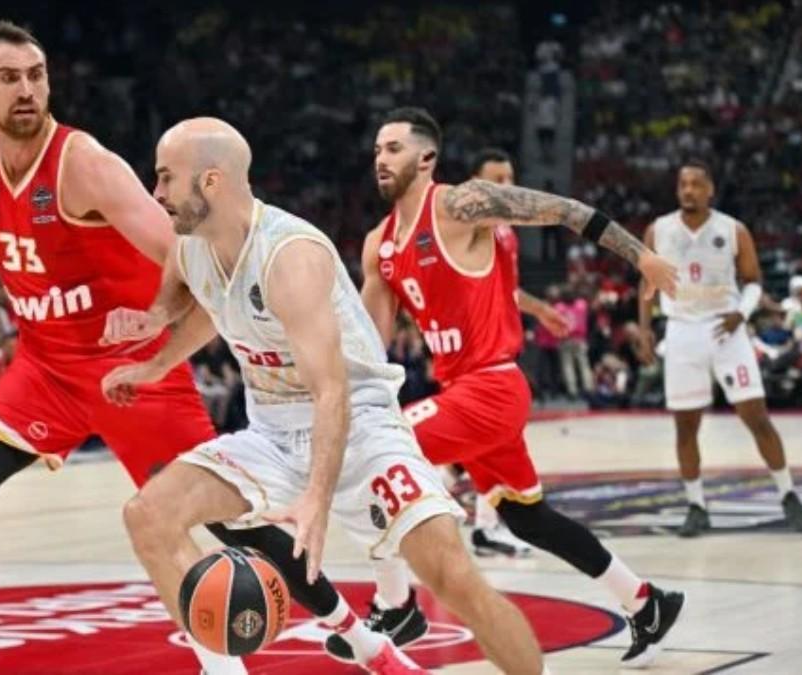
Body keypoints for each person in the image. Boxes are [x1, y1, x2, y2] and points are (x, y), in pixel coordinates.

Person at [0, 22, 356, 675]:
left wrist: (162, 320)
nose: (28, 89)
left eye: (37, 75)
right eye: (10, 78)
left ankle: (357, 632)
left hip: (131, 371)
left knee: (227, 520)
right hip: (46, 367)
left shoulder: (83, 162)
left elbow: (184, 251)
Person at [104, 117, 545, 675]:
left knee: (454, 578)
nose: (157, 193)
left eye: (166, 178)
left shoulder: (291, 255)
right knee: (148, 516)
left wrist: (316, 498)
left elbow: (331, 389)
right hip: (272, 432)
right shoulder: (190, 246)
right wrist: (153, 358)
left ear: (211, 182)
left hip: (359, 425)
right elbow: (206, 309)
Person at [340, 107, 684, 669]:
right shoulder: (379, 244)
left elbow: (566, 210)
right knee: (528, 517)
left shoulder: (460, 204)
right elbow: (365, 345)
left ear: (426, 157)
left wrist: (640, 255)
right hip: (461, 392)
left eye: (394, 148)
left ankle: (396, 603)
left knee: (375, 455)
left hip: (492, 385)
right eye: (378, 149)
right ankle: (645, 602)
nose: (381, 158)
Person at [636, 161, 802, 536]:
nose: (688, 190)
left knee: (756, 417)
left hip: (725, 329)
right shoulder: (658, 230)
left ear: (710, 190)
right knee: (686, 426)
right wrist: (645, 328)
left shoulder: (733, 230)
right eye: (683, 184)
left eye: (696, 184)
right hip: (682, 330)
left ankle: (788, 494)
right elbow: (646, 285)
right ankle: (696, 504)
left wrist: (741, 313)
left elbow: (753, 282)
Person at [462, 148, 570, 558]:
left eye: (510, 179)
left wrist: (541, 309)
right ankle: (429, 506)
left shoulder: (505, 231)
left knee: (493, 441)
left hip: (499, 344)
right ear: (475, 186)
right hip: (473, 348)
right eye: (497, 180)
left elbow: (507, 290)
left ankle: (485, 526)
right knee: (482, 438)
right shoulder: (470, 227)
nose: (507, 187)